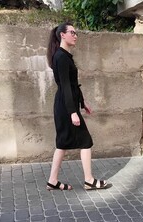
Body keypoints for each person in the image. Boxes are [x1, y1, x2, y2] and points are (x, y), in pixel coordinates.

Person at [45, 22, 108, 191]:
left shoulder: (64, 56)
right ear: (62, 35)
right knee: (85, 141)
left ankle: (53, 181)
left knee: (62, 143)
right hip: (66, 107)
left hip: (66, 105)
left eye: (76, 33)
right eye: (72, 32)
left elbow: (72, 85)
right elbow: (65, 86)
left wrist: (82, 102)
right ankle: (89, 180)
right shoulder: (61, 57)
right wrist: (73, 112)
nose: (75, 35)